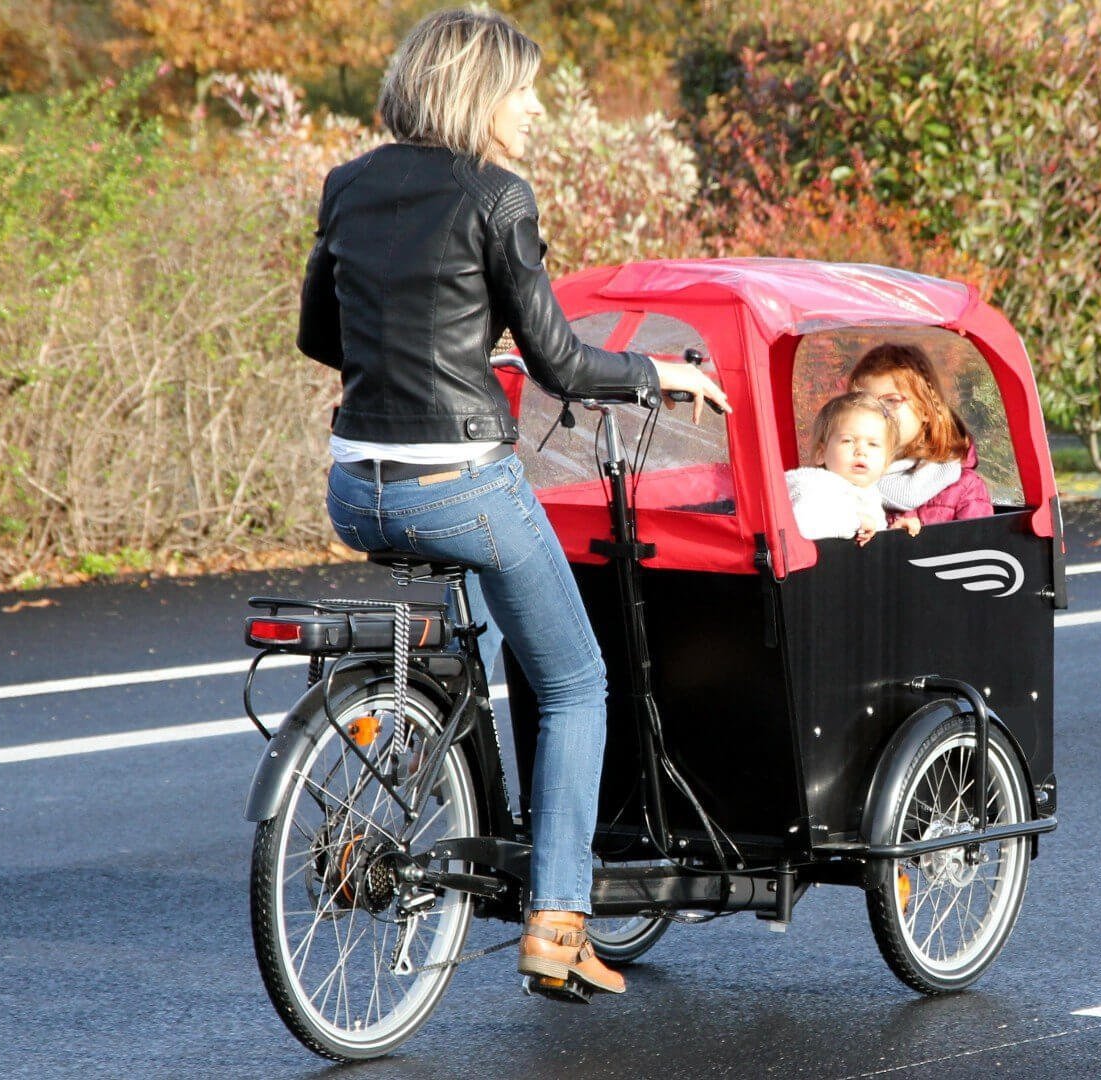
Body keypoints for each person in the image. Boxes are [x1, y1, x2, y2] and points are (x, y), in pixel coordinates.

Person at [296, 7, 728, 1001]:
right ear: (484, 96)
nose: (536, 110)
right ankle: (559, 920)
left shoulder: (348, 186)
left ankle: (427, 765)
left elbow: (325, 335)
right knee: (577, 681)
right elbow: (564, 363)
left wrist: (428, 356)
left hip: (355, 489)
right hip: (462, 485)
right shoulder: (497, 195)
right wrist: (660, 373)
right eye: (526, 92)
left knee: (477, 633)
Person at [846, 343, 993, 523]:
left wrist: (910, 544)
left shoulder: (965, 489)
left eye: (891, 400)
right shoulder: (842, 483)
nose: (877, 412)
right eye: (863, 403)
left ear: (925, 409)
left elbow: (978, 548)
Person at [785, 392, 921, 544]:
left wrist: (893, 533)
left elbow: (865, 542)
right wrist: (855, 522)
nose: (861, 451)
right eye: (848, 440)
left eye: (873, 444)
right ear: (821, 453)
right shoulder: (816, 485)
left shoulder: (869, 494)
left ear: (886, 462)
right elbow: (801, 527)